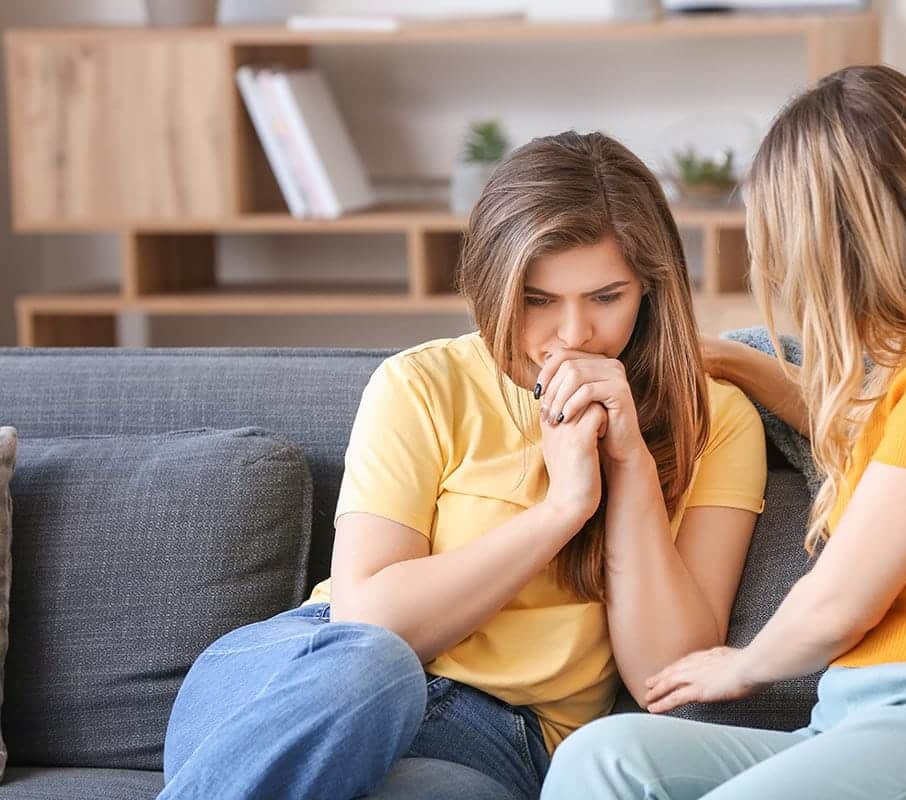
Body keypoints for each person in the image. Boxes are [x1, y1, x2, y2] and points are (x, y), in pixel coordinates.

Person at [542, 65, 906, 800]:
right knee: (605, 757)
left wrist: (741, 664)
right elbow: (869, 442)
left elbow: (841, 601)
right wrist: (739, 364)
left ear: (832, 239)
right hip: (866, 718)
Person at [157, 130, 767, 800]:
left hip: (495, 740)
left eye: (605, 297)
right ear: (494, 285)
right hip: (307, 681)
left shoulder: (716, 419)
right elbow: (370, 622)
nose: (572, 335)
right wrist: (562, 511)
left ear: (650, 289)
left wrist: (628, 469)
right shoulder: (421, 383)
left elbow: (670, 671)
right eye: (538, 300)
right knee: (378, 669)